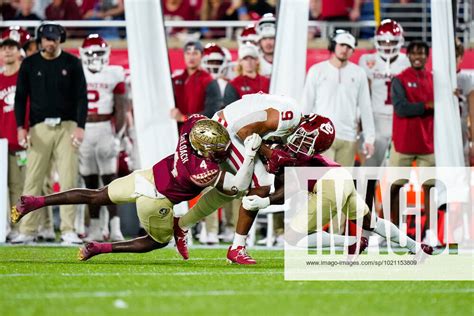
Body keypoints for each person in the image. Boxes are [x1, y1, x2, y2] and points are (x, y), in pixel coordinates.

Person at [12, 116, 262, 261]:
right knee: (156, 242)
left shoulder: (190, 129)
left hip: (145, 176)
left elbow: (198, 120)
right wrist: (250, 155)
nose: (221, 151)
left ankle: (33, 202)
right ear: (203, 149)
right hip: (156, 199)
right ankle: (98, 248)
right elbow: (237, 186)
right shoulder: (202, 170)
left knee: (96, 196)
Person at [173, 93, 307, 264]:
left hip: (231, 126)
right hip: (228, 130)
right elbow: (241, 128)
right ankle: (237, 248)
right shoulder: (287, 118)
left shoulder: (291, 120)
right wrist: (270, 153)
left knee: (230, 191)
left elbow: (289, 184)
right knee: (260, 184)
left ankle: (183, 224)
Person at [13, 22, 88, 244]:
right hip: (38, 128)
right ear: (40, 40)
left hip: (67, 126)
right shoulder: (29, 64)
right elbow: (20, 98)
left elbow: (81, 97)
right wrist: (21, 127)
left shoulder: (72, 63)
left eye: (54, 38)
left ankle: (68, 229)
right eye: (47, 38)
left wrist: (80, 126)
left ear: (60, 40)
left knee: (68, 180)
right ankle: (27, 230)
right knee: (32, 180)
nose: (50, 42)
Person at [78, 34, 128, 242]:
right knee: (89, 181)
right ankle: (96, 228)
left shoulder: (114, 73)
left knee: (110, 180)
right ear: (82, 55)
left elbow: (121, 106)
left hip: (105, 127)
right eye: (90, 53)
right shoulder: (77, 73)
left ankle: (115, 228)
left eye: (98, 52)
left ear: (106, 53)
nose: (95, 57)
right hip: (85, 128)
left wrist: (118, 134)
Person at [301, 29, 375, 167]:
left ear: (353, 51)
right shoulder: (317, 70)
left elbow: (365, 107)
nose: (344, 49)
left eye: (349, 47)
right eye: (341, 45)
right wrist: (303, 134)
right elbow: (307, 103)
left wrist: (369, 138)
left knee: (343, 185)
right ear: (333, 45)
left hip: (349, 137)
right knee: (322, 183)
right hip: (321, 136)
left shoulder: (359, 73)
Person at [389, 40, 436, 245]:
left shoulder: (435, 80)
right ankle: (393, 230)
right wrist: (426, 106)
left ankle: (429, 231)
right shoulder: (399, 80)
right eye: (415, 52)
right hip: (403, 142)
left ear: (427, 56)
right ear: (408, 55)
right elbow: (400, 108)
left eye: (422, 53)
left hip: (428, 143)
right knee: (395, 188)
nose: (418, 56)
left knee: (431, 188)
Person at [359, 19, 410, 167]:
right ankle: (368, 190)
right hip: (376, 118)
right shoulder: (368, 60)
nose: (387, 45)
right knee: (371, 164)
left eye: (391, 41)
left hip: (399, 118)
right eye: (384, 41)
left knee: (397, 166)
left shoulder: (407, 61)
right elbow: (363, 93)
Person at [0, 28, 28, 241]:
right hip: (2, 144)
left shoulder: (27, 77)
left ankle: (23, 228)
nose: (7, 52)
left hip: (23, 142)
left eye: (11, 47)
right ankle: (7, 227)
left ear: (19, 51)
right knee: (4, 188)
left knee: (22, 188)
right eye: (3, 48)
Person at [170, 41, 221, 123]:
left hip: (198, 132)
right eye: (188, 53)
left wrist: (184, 118)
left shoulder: (209, 81)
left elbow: (212, 112)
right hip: (175, 131)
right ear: (184, 55)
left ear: (202, 55)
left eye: (195, 53)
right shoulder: (175, 80)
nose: (191, 57)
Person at [454, 39, 474, 166]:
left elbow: (472, 113)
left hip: (461, 132)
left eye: (455, 56)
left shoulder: (466, 79)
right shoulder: (433, 77)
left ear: (461, 58)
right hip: (438, 133)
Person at [255, 13, 275, 77]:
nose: (268, 42)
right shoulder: (254, 63)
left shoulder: (287, 62)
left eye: (271, 38)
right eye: (264, 38)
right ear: (259, 41)